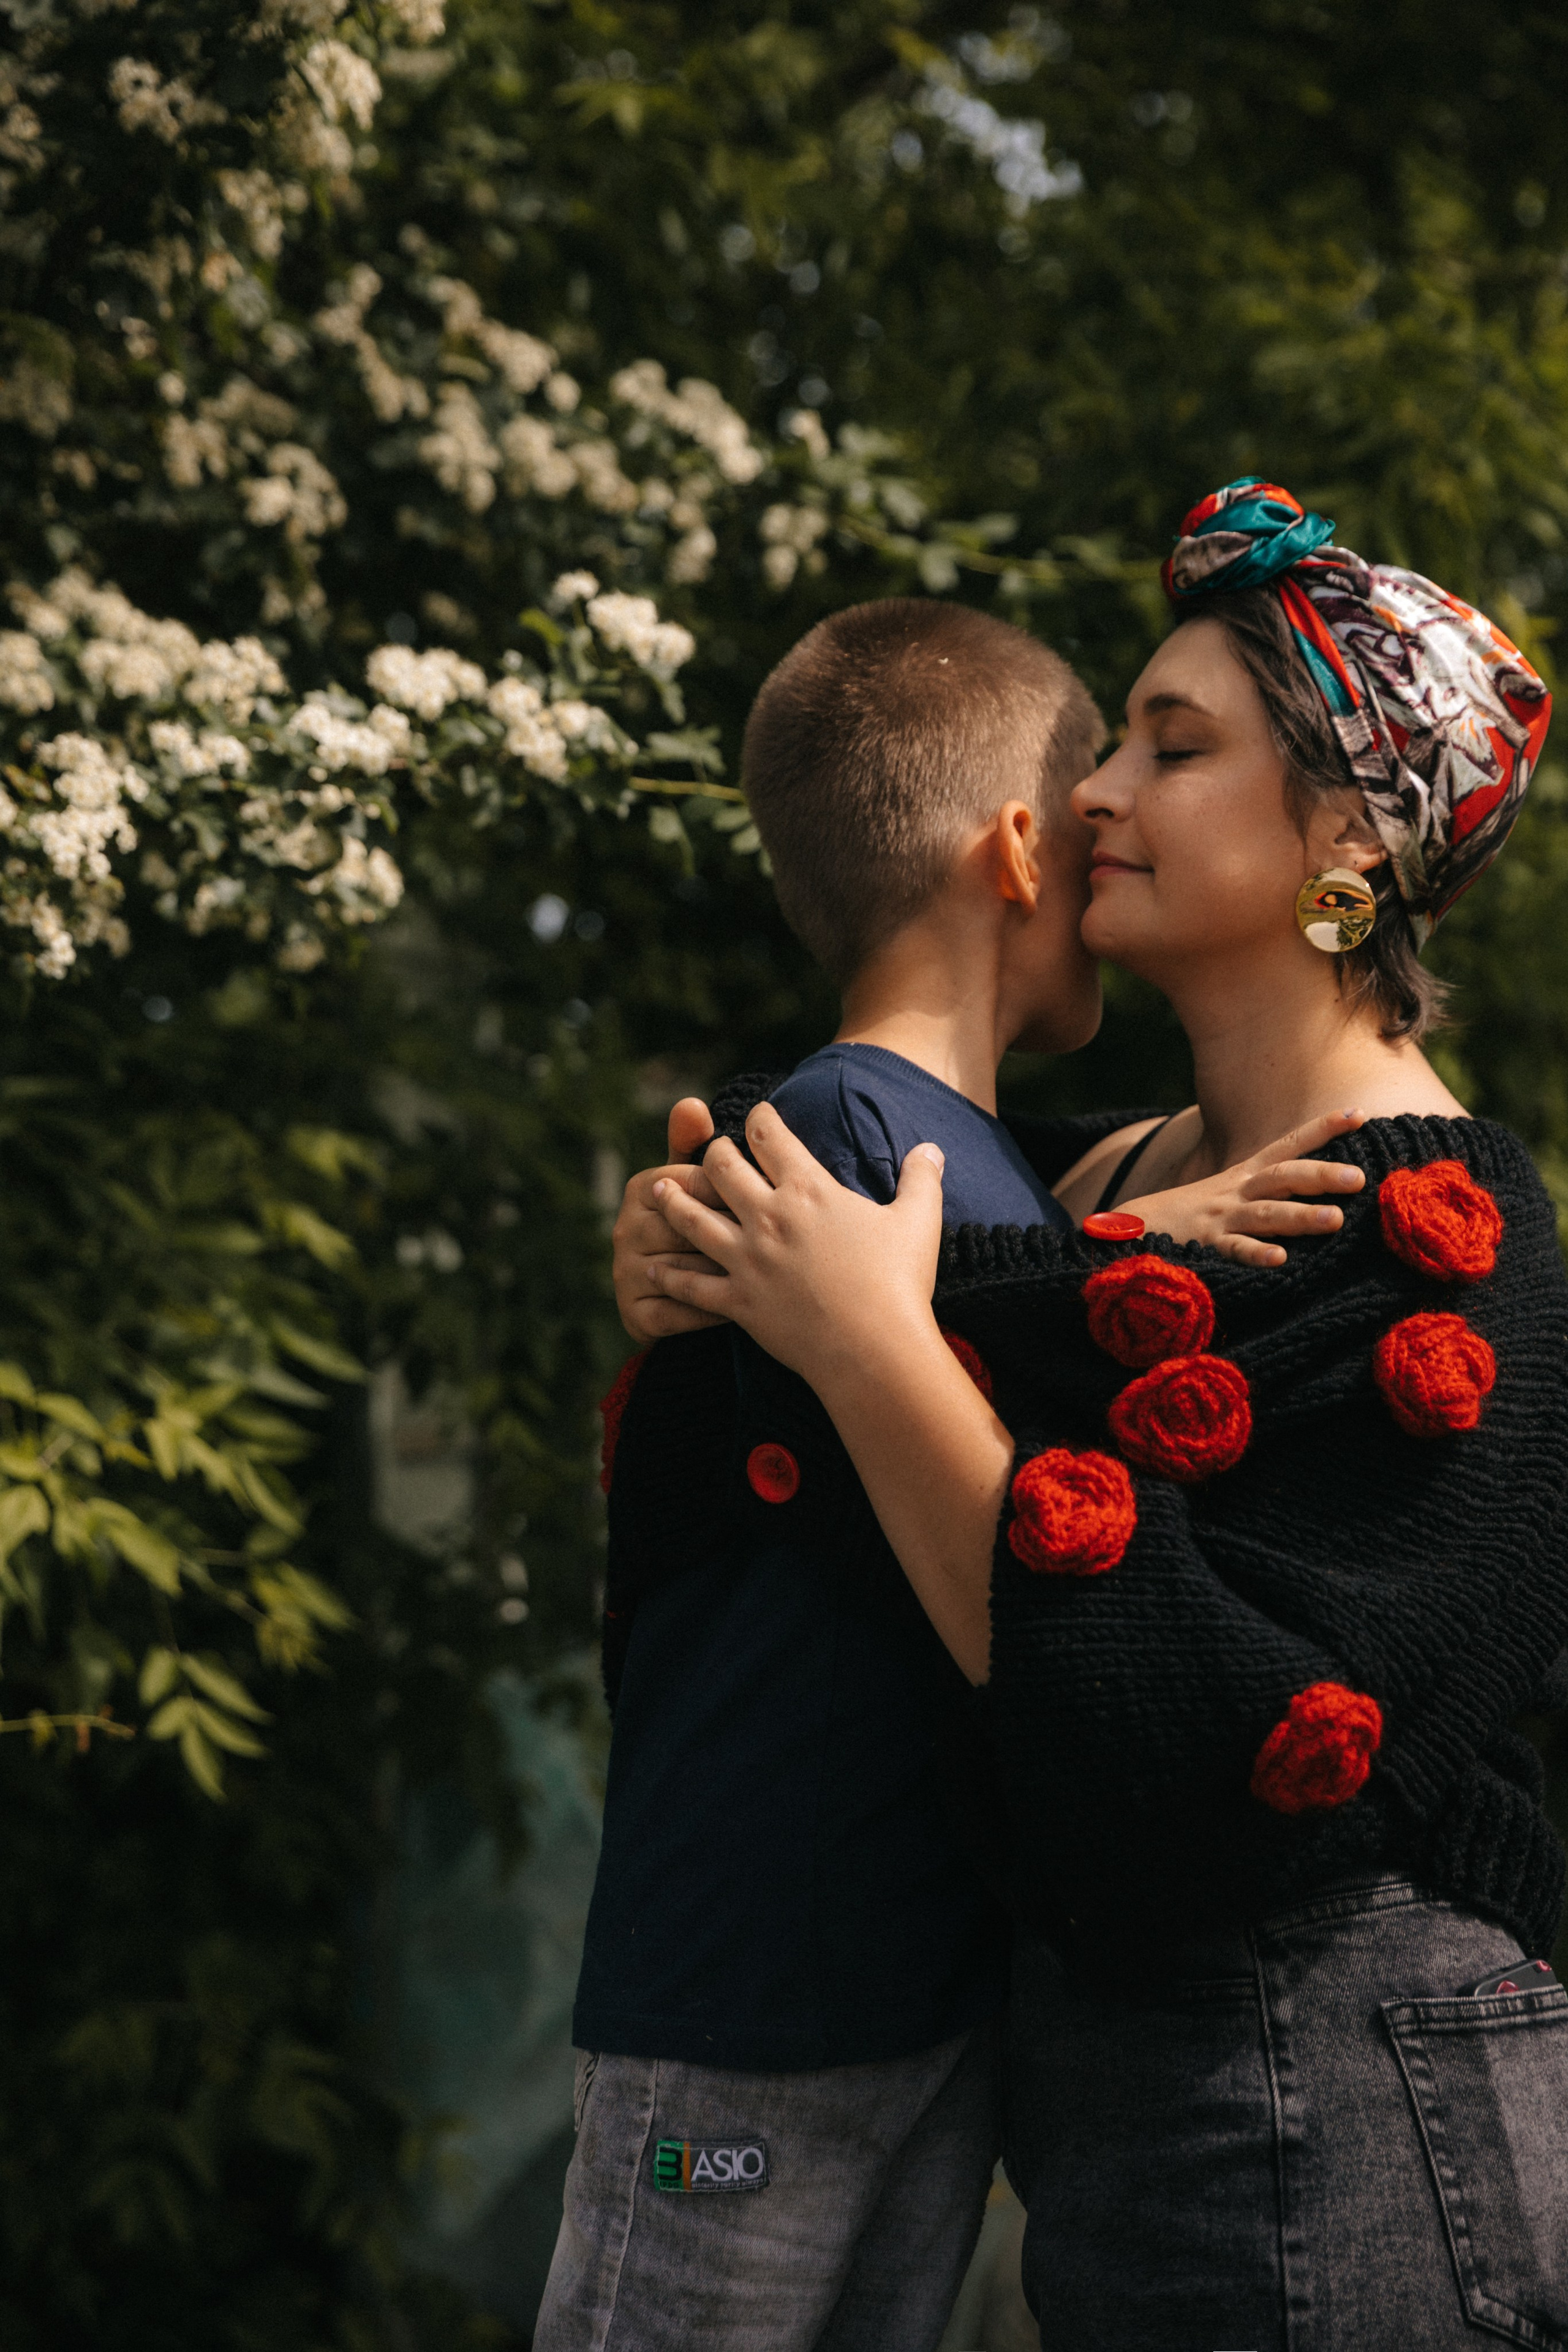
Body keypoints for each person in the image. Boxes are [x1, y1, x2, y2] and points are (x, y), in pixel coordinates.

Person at [638, 482, 1568, 2351]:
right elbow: (869, 1180)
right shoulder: (1102, 1184)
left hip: (1365, 2123)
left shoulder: (1449, 1245)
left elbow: (1224, 1755)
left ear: (1343, 843)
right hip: (1135, 2129)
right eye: (1115, 740)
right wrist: (700, 1233)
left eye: (1175, 745)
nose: (1095, 794)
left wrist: (865, 1343)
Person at [537, 594, 1357, 2352]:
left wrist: (1121, 1232)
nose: (1109, 848)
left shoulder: (972, 1175)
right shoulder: (828, 1141)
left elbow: (961, 1327)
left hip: (907, 2010)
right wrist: (1128, 1253)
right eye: (1084, 824)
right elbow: (926, 1348)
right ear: (1011, 851)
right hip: (739, 2018)